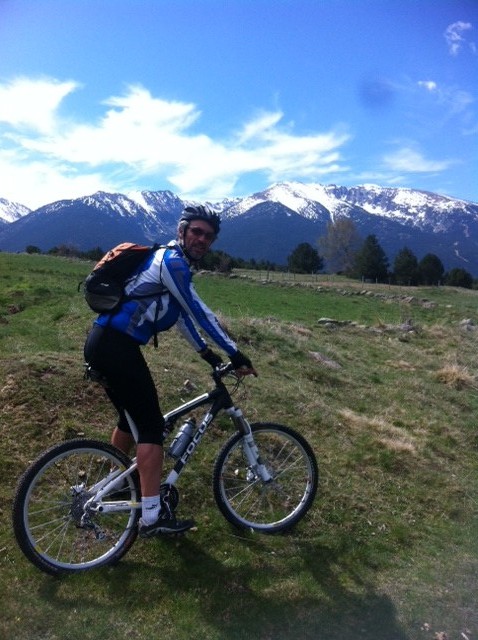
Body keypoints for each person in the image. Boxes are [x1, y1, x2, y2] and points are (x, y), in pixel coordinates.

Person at [84, 205, 257, 537]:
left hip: (105, 343)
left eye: (208, 235)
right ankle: (151, 517)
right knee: (151, 428)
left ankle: (115, 481)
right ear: (182, 231)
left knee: (129, 419)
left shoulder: (169, 263)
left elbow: (178, 316)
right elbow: (199, 312)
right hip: (115, 347)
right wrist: (235, 353)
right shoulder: (172, 262)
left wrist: (207, 355)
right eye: (196, 232)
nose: (202, 239)